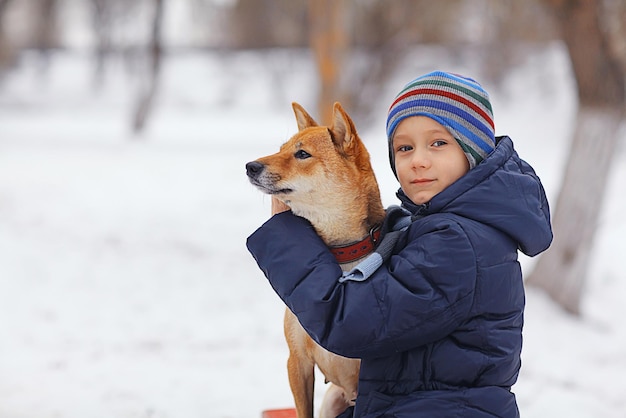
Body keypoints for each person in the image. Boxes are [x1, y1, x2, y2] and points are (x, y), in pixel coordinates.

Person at [247, 70, 553, 417]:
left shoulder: (460, 244)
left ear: (474, 150)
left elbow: (353, 325)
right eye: (404, 147)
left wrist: (286, 237)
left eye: (438, 143)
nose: (418, 159)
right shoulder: (430, 231)